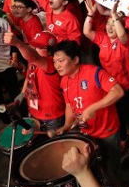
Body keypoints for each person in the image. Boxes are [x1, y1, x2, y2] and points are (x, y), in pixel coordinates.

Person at [53, 40, 124, 176]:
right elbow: (69, 105)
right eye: (55, 62)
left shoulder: (95, 72)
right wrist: (67, 125)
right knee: (96, 167)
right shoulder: (64, 81)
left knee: (112, 167)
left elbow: (118, 91)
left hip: (106, 131)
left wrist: (93, 108)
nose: (57, 66)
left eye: (61, 61)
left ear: (75, 59)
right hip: (87, 134)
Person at [83, 0, 129, 149]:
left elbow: (122, 35)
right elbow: (86, 32)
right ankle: (123, 138)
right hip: (110, 86)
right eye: (108, 24)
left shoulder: (126, 41)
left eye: (113, 25)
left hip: (128, 86)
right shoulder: (102, 38)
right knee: (117, 115)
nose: (110, 27)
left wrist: (114, 14)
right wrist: (90, 14)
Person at [3, 30, 65, 131]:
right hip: (35, 111)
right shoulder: (33, 64)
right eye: (33, 46)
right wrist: (22, 94)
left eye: (39, 47)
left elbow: (33, 57)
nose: (35, 50)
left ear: (50, 52)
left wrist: (17, 43)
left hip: (51, 117)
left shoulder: (51, 64)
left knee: (54, 143)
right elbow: (29, 77)